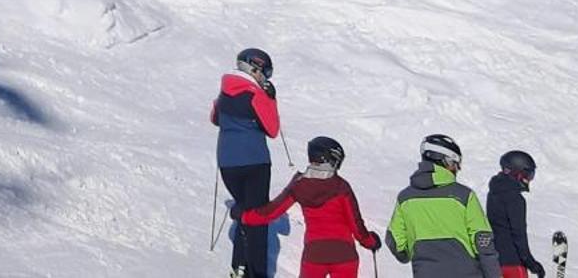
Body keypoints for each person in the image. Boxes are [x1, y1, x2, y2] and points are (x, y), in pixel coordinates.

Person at [263, 135, 383, 278]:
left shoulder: (299, 185)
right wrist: (371, 242)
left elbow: (271, 212)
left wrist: (245, 215)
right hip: (344, 255)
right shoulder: (341, 186)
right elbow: (356, 224)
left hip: (314, 255)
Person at [386, 133, 500, 278]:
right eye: (456, 163)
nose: (457, 169)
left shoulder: (405, 199)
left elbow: (395, 241)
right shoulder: (464, 196)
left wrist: (412, 253)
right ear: (446, 161)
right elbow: (483, 242)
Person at [211, 46, 282, 278]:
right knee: (258, 218)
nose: (265, 78)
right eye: (266, 73)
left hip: (227, 163)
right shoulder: (255, 94)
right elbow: (272, 129)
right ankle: (257, 273)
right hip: (254, 161)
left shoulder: (224, 91)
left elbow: (214, 118)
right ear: (256, 69)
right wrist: (270, 98)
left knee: (244, 211)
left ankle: (238, 268)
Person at [487, 150, 544, 278]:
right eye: (528, 175)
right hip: (512, 263)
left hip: (493, 262)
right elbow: (518, 234)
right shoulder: (515, 199)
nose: (529, 180)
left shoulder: (493, 193)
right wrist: (531, 263)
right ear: (517, 173)